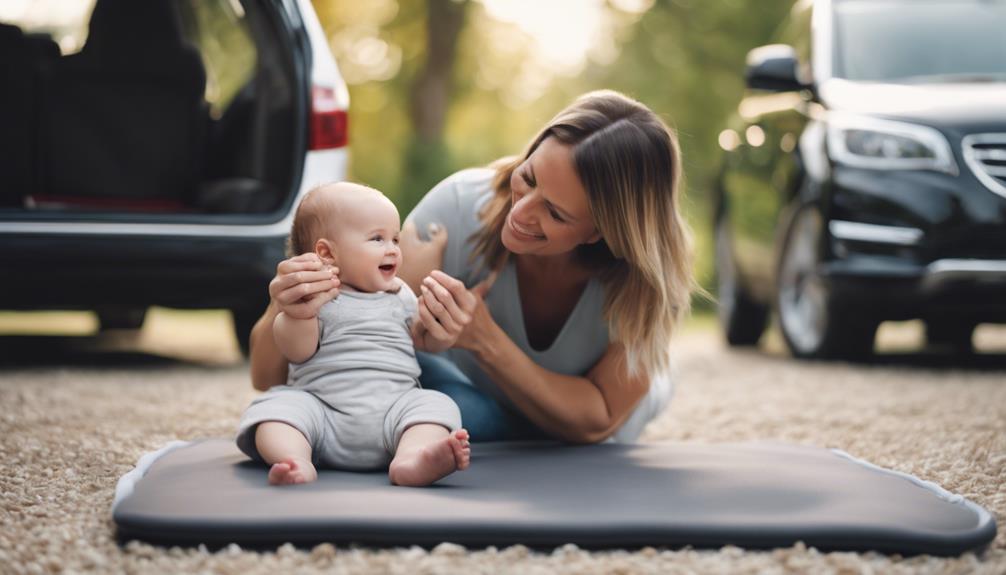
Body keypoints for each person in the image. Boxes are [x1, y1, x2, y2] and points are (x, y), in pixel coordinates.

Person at [249, 90, 695, 444]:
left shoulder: (650, 282)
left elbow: (596, 421)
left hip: (592, 417)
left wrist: (484, 339)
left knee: (569, 439)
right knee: (451, 409)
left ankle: (527, 431)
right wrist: (286, 308)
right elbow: (276, 376)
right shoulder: (459, 206)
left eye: (556, 214)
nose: (521, 213)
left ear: (601, 231)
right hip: (474, 393)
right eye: (529, 176)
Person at [236, 182, 472, 487]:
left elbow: (423, 341)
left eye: (395, 239)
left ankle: (412, 459)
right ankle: (295, 459)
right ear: (326, 253)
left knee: (437, 404)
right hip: (321, 414)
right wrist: (299, 315)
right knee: (275, 408)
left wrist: (439, 328)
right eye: (377, 238)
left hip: (394, 413)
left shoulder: (400, 293)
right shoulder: (315, 296)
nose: (393, 249)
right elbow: (297, 350)